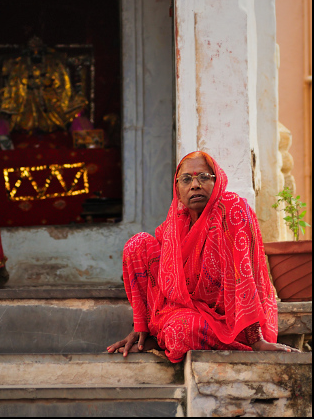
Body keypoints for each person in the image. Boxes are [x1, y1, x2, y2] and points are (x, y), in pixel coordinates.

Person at [107, 151, 301, 363]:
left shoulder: (230, 209)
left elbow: (245, 275)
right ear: (178, 189)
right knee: (138, 244)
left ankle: (240, 342)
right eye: (186, 179)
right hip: (184, 313)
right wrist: (141, 325)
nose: (195, 185)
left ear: (217, 181)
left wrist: (257, 340)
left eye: (204, 177)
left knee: (182, 330)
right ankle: (148, 336)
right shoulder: (175, 225)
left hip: (230, 323)